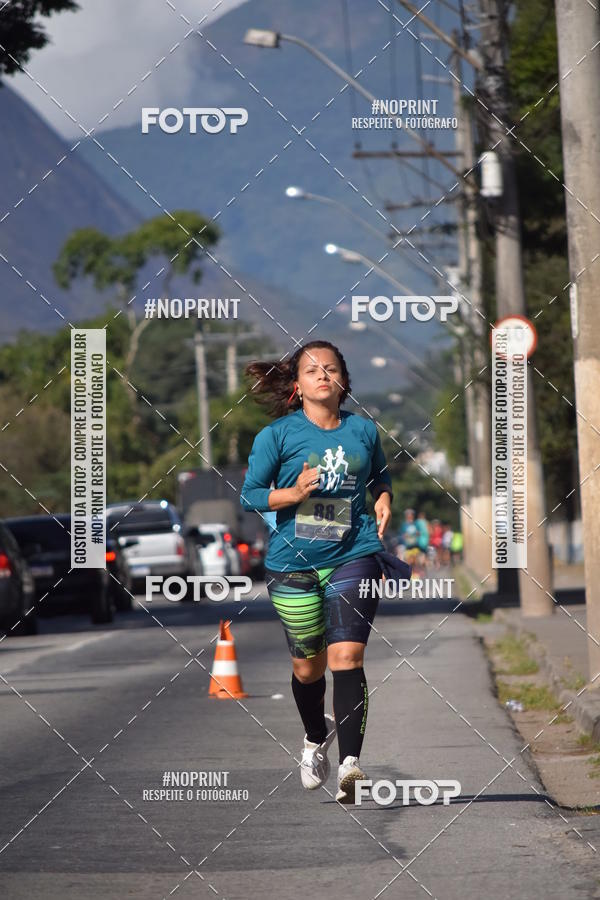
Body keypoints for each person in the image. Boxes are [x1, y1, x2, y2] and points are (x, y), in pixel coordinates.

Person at [240, 340, 394, 803]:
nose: (322, 375)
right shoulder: (277, 436)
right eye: (311, 370)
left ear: (344, 380)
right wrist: (291, 495)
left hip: (355, 553)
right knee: (308, 669)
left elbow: (380, 475)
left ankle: (350, 765)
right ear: (297, 386)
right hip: (294, 563)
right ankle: (314, 736)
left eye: (331, 369)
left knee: (347, 657)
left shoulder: (363, 430)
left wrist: (384, 498)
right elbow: (250, 494)